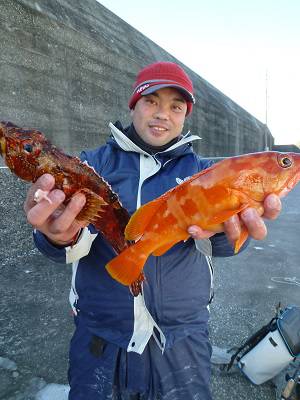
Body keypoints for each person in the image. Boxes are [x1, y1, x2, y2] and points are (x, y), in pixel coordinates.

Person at [24, 61, 282, 400]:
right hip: (101, 334)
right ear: (134, 105)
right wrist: (58, 236)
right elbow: (73, 240)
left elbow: (217, 245)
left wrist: (224, 233)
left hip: (183, 338)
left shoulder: (206, 172)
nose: (163, 114)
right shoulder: (92, 165)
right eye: (152, 101)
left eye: (176, 106)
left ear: (185, 115)